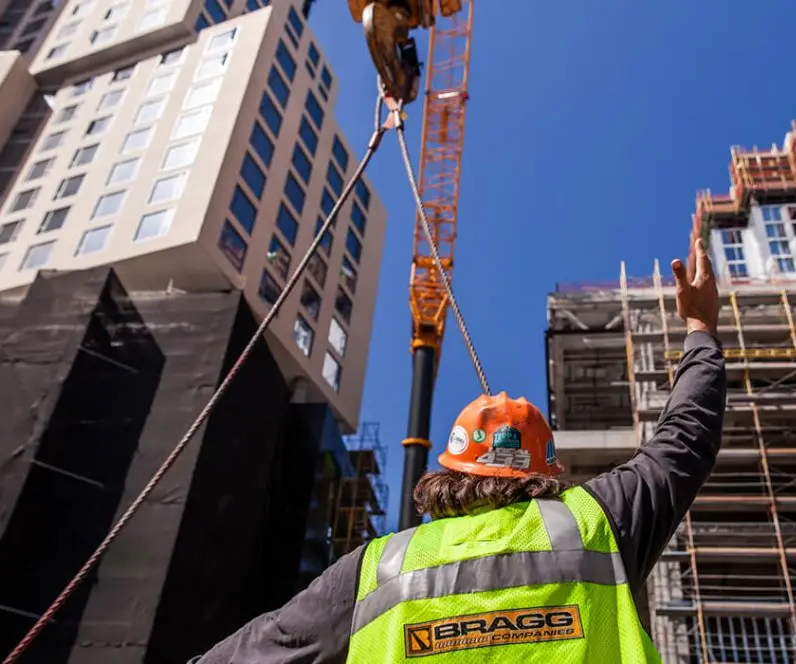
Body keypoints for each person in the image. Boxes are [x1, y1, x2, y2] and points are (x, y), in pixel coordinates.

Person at [192, 239, 725, 663]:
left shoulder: (376, 570)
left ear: (449, 470)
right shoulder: (595, 523)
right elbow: (683, 441)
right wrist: (700, 328)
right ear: (542, 473)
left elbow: (258, 650)